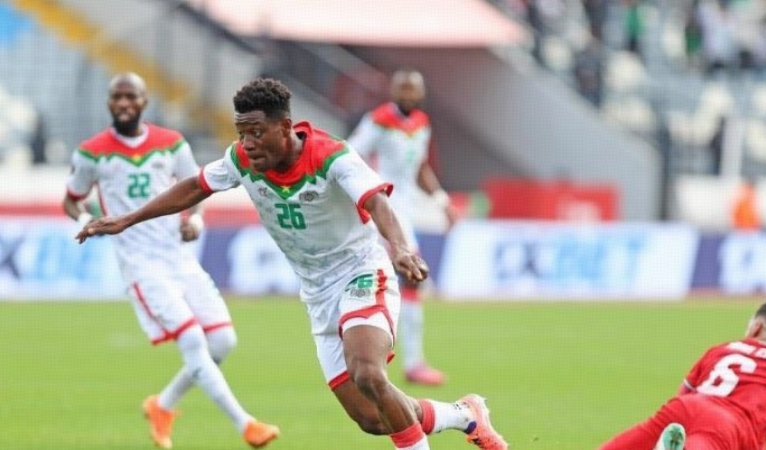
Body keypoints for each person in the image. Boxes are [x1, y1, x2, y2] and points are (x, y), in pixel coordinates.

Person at [77, 78, 508, 450]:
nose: (247, 143)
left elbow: (376, 200)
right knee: (373, 418)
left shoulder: (331, 156)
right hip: (317, 293)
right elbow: (194, 186)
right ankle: (465, 415)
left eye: (256, 132)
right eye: (241, 133)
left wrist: (399, 248)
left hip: (361, 272)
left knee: (368, 373)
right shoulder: (241, 160)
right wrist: (128, 219)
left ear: (284, 127)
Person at [62, 72, 278, 449]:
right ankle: (246, 424)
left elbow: (197, 188)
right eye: (117, 97)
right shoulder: (91, 152)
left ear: (144, 102)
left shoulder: (171, 143)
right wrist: (84, 220)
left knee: (222, 341)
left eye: (131, 97)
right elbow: (71, 199)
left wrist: (195, 220)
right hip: (140, 265)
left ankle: (162, 406)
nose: (124, 103)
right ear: (109, 103)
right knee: (193, 338)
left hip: (179, 258)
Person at [597, 302, 766, 450]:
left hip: (683, 408)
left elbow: (682, 396)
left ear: (756, 327)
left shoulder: (721, 349)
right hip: (727, 426)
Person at [347, 69, 458, 386]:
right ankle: (408, 362)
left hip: (406, 210)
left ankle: (392, 358)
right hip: (382, 208)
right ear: (393, 92)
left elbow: (420, 167)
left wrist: (442, 201)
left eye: (413, 90)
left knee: (394, 280)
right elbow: (350, 155)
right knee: (409, 276)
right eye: (403, 90)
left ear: (421, 94)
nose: (408, 95)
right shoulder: (379, 121)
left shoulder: (421, 123)